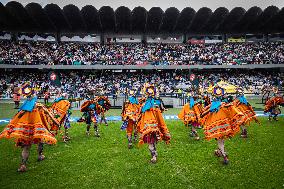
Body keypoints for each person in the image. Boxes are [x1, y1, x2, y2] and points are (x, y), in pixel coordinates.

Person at [0, 83, 59, 172]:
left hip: (25, 131)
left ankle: (23, 165)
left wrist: (13, 126)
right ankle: (40, 155)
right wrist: (56, 122)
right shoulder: (39, 105)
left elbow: (17, 117)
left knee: (26, 147)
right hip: (37, 129)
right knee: (41, 141)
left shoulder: (24, 106)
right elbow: (49, 114)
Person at [201, 86, 245, 165]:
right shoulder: (223, 104)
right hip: (224, 125)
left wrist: (203, 114)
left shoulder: (214, 105)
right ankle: (219, 151)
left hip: (216, 125)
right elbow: (231, 108)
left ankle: (224, 157)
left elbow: (205, 113)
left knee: (219, 140)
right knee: (221, 139)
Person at [136, 84, 171, 163]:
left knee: (151, 142)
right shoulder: (147, 105)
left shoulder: (152, 106)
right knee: (152, 142)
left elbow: (159, 118)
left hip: (151, 128)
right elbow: (141, 115)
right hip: (150, 128)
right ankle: (154, 154)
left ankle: (154, 156)